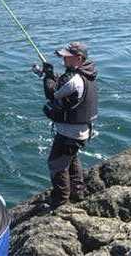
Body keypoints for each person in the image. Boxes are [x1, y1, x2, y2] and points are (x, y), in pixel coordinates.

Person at [38, 41, 98, 209]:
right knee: (70, 158)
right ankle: (78, 191)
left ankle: (60, 201)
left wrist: (48, 75)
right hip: (81, 130)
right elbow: (65, 86)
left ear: (78, 58)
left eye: (67, 56)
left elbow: (53, 93)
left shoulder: (75, 79)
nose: (63, 58)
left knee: (56, 164)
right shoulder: (88, 73)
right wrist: (48, 75)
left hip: (70, 132)